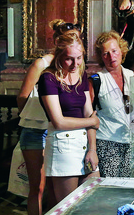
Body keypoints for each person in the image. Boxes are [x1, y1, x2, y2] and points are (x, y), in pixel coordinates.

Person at [17, 20, 82, 215]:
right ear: (57, 41)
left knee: (56, 187)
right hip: (36, 128)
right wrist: (39, 114)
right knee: (37, 186)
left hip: (59, 131)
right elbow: (22, 97)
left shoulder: (74, 65)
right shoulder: (42, 64)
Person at [37, 29, 100, 202]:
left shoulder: (81, 74)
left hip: (84, 142)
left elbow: (89, 113)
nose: (75, 64)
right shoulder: (48, 78)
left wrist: (93, 149)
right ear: (58, 56)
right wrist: (91, 121)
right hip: (62, 145)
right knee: (68, 207)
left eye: (79, 58)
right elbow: (58, 121)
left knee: (91, 202)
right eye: (69, 59)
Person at [89, 31, 134, 177]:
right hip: (107, 143)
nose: (111, 57)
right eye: (106, 53)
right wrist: (92, 149)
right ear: (100, 57)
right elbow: (89, 117)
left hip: (131, 142)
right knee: (110, 187)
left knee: (129, 185)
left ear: (121, 50)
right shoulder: (96, 80)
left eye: (114, 51)